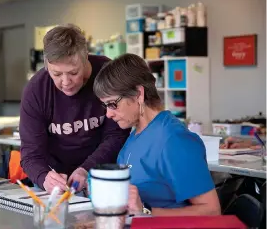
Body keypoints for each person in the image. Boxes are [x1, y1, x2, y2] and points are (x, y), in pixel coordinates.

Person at [93, 54, 221, 216]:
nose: (108, 114)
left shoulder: (174, 141)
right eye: (105, 106)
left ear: (138, 94)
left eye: (112, 104)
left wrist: (146, 213)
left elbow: (211, 211)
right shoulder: (135, 134)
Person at [20, 24, 130, 194]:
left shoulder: (107, 74)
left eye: (73, 72)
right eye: (56, 74)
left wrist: (86, 169)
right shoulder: (36, 90)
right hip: (55, 179)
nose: (65, 82)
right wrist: (44, 177)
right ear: (46, 64)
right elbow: (30, 154)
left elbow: (116, 135)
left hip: (102, 174)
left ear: (86, 56)